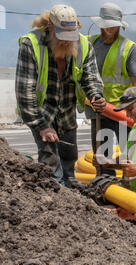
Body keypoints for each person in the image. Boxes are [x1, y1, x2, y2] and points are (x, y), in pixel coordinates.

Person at [15, 4, 106, 186]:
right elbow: (24, 92)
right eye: (61, 35)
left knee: (70, 159)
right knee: (50, 162)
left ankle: (71, 196)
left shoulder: (83, 45)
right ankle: (53, 196)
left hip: (67, 110)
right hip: (42, 111)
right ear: (50, 27)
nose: (66, 41)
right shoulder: (31, 44)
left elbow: (91, 77)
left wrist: (96, 95)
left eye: (69, 36)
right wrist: (42, 126)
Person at [85, 2, 136, 175]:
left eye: (113, 25)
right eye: (107, 25)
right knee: (103, 158)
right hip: (99, 111)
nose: (110, 29)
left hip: (124, 113)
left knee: (130, 157)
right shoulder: (89, 44)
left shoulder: (129, 48)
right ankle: (106, 189)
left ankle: (131, 189)